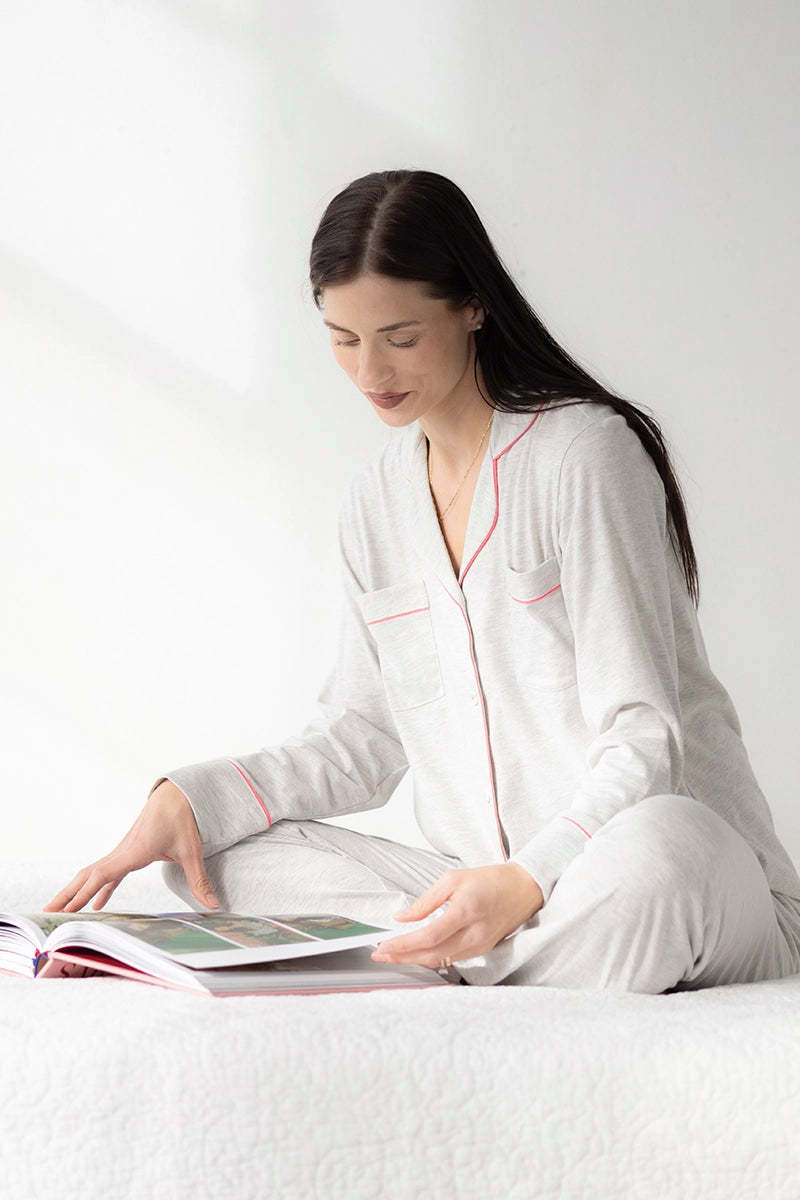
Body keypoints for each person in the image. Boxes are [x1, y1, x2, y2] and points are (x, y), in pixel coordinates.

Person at [44, 169, 800, 992]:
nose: (370, 370)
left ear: (473, 305)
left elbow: (645, 734)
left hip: (655, 875)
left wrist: (531, 877)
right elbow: (365, 736)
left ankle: (450, 965)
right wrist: (198, 798)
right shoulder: (376, 499)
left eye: (400, 337)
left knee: (665, 851)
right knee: (209, 859)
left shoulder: (585, 455)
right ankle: (480, 960)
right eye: (343, 339)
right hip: (488, 890)